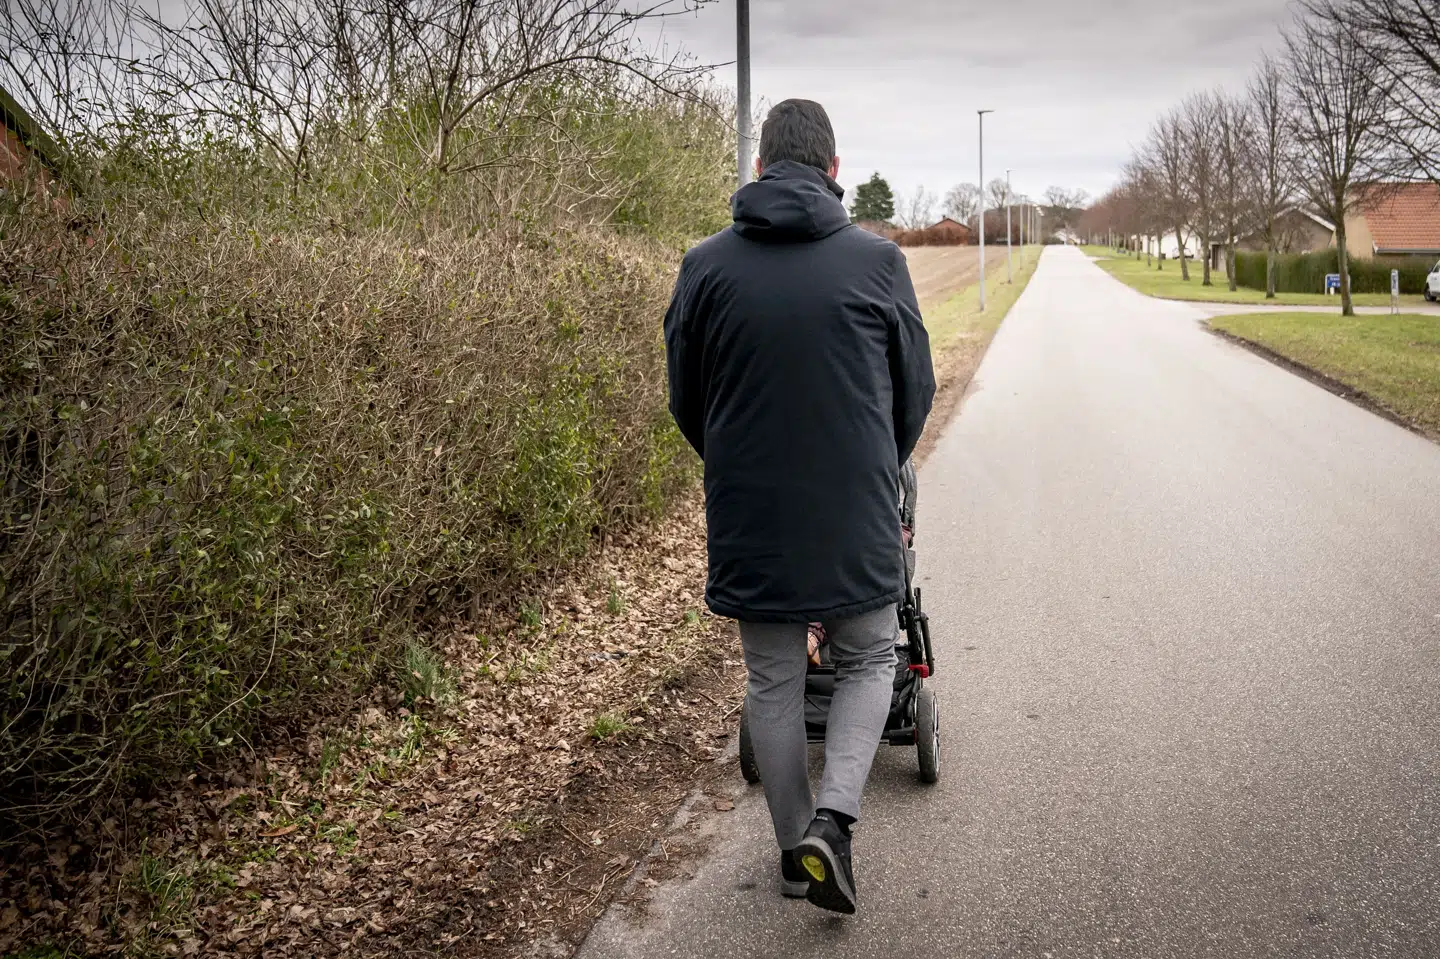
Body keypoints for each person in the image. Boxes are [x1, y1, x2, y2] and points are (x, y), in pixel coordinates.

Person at [663, 99, 934, 914]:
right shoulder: (878, 264)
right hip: (855, 505)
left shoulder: (703, 266)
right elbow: (914, 393)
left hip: (751, 511)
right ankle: (833, 825)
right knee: (867, 656)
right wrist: (876, 461)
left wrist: (740, 463)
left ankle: (793, 853)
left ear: (757, 171)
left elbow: (687, 399)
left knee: (773, 678)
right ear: (834, 171)